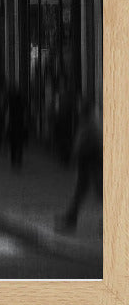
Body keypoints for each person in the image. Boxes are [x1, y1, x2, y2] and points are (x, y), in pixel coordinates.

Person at [56, 100, 102, 233]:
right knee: (81, 192)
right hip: (87, 163)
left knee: (99, 193)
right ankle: (70, 218)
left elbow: (88, 144)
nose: (78, 112)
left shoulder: (91, 126)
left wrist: (75, 156)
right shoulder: (89, 124)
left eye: (80, 110)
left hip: (92, 163)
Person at [6, 85, 26, 168]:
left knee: (13, 144)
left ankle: (13, 159)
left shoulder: (11, 104)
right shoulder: (22, 105)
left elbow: (8, 115)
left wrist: (7, 125)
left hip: (13, 125)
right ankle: (19, 159)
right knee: (19, 143)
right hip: (20, 125)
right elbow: (24, 115)